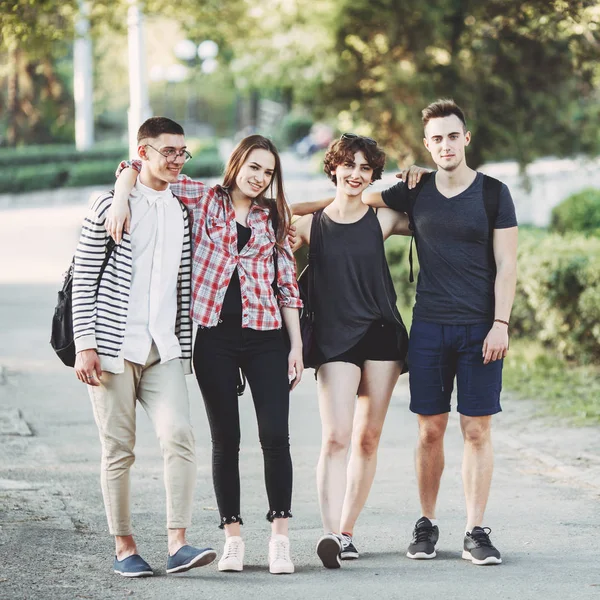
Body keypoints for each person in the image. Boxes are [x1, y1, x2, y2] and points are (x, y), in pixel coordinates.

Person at [293, 99, 518, 566]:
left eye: (452, 136)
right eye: (436, 138)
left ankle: (470, 530)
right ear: (427, 144)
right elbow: (331, 205)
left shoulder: (477, 196)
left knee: (459, 431)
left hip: (446, 330)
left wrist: (501, 322)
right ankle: (394, 526)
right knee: (412, 432)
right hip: (409, 329)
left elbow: (505, 262)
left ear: (466, 138)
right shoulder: (396, 198)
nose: (445, 145)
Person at [106, 134, 303, 575]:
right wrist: (121, 197)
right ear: (237, 164)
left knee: (275, 435)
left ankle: (280, 539)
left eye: (268, 172)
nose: (259, 178)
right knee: (225, 440)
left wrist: (297, 347)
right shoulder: (202, 197)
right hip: (214, 338)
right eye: (254, 167)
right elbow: (137, 168)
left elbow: (288, 284)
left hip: (268, 335)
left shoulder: (274, 217)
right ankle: (232, 537)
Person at [72, 117, 216, 577]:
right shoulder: (109, 206)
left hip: (163, 349)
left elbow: (181, 285)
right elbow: (84, 279)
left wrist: (184, 348)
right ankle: (124, 546)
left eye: (182, 152)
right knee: (119, 450)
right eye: (167, 151)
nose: (176, 160)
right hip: (112, 348)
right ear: (143, 151)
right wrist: (85, 344)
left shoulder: (182, 211)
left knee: (179, 435)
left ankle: (179, 543)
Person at [291, 134, 410, 568]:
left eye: (365, 169)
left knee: (367, 437)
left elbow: (431, 211)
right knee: (336, 435)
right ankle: (328, 534)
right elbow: (277, 212)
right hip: (333, 337)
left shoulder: (382, 220)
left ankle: (346, 531)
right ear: (334, 168)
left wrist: (414, 178)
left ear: (373, 175)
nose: (357, 175)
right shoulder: (310, 226)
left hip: (380, 333)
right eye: (349, 166)